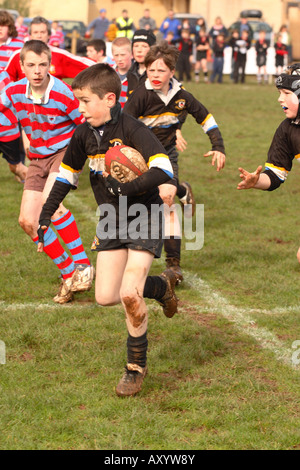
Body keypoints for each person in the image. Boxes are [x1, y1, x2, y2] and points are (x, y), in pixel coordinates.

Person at [37, 63, 178, 397]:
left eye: (85, 101)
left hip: (144, 212)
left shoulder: (132, 129)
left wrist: (126, 188)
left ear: (110, 99)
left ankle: (134, 368)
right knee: (105, 297)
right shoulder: (83, 134)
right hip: (111, 218)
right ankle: (160, 287)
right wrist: (44, 217)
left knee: (130, 293)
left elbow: (164, 168)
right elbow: (66, 177)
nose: (80, 108)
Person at [0, 40, 94, 304]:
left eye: (42, 64)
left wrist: (95, 155)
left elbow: (85, 123)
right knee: (27, 221)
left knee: (49, 203)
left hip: (65, 153)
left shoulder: (63, 92)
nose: (37, 70)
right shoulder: (14, 91)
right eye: (31, 65)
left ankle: (83, 265)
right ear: (22, 66)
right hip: (37, 159)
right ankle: (68, 275)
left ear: (50, 65)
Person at [124, 41, 226, 282]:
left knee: (166, 199)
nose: (155, 75)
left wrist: (218, 146)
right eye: (151, 70)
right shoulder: (139, 96)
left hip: (166, 154)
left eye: (161, 70)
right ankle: (183, 190)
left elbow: (206, 118)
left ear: (171, 71)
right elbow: (124, 127)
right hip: (140, 155)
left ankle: (174, 265)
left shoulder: (182, 96)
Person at [237, 63, 300, 264]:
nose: (280, 99)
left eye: (287, 93)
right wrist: (256, 181)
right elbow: (276, 174)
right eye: (280, 92)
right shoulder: (287, 129)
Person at [5, 16, 95, 82]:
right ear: (30, 35)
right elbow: (6, 79)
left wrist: (107, 66)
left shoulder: (60, 55)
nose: (39, 35)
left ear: (49, 35)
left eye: (42, 32)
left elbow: (85, 64)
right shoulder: (18, 55)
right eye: (35, 32)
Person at [0, 70, 27, 182]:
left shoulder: (2, 74)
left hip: (7, 131)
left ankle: (37, 186)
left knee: (16, 167)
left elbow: (7, 98)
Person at [127, 29, 156, 94]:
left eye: (144, 46)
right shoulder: (129, 73)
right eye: (136, 46)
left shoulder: (160, 73)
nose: (139, 50)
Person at [111, 37, 133, 108]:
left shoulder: (138, 75)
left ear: (131, 54)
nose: (119, 59)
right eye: (116, 55)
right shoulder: (109, 73)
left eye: (123, 55)